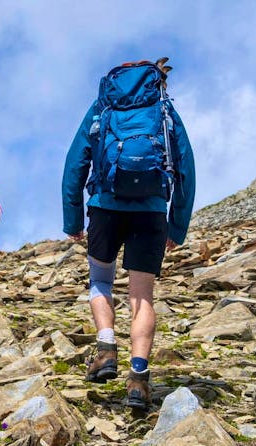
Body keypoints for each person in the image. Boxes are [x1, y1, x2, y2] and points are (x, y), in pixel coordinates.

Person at [61, 59, 195, 410]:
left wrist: (72, 219)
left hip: (105, 208)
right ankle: (138, 379)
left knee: (100, 282)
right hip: (150, 212)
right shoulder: (163, 111)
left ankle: (105, 351)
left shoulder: (102, 108)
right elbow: (185, 167)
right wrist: (176, 225)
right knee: (142, 296)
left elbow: (75, 164)